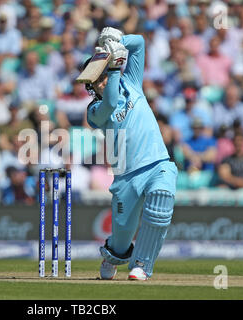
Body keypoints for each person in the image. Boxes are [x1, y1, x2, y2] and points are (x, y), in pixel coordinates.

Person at [83, 27, 177, 281]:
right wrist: (114, 68)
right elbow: (111, 102)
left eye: (101, 77)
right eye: (95, 81)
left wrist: (116, 42)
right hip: (126, 177)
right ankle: (113, 255)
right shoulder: (94, 111)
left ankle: (142, 265)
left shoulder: (132, 82)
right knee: (122, 237)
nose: (100, 83)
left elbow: (140, 43)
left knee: (160, 202)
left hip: (157, 163)